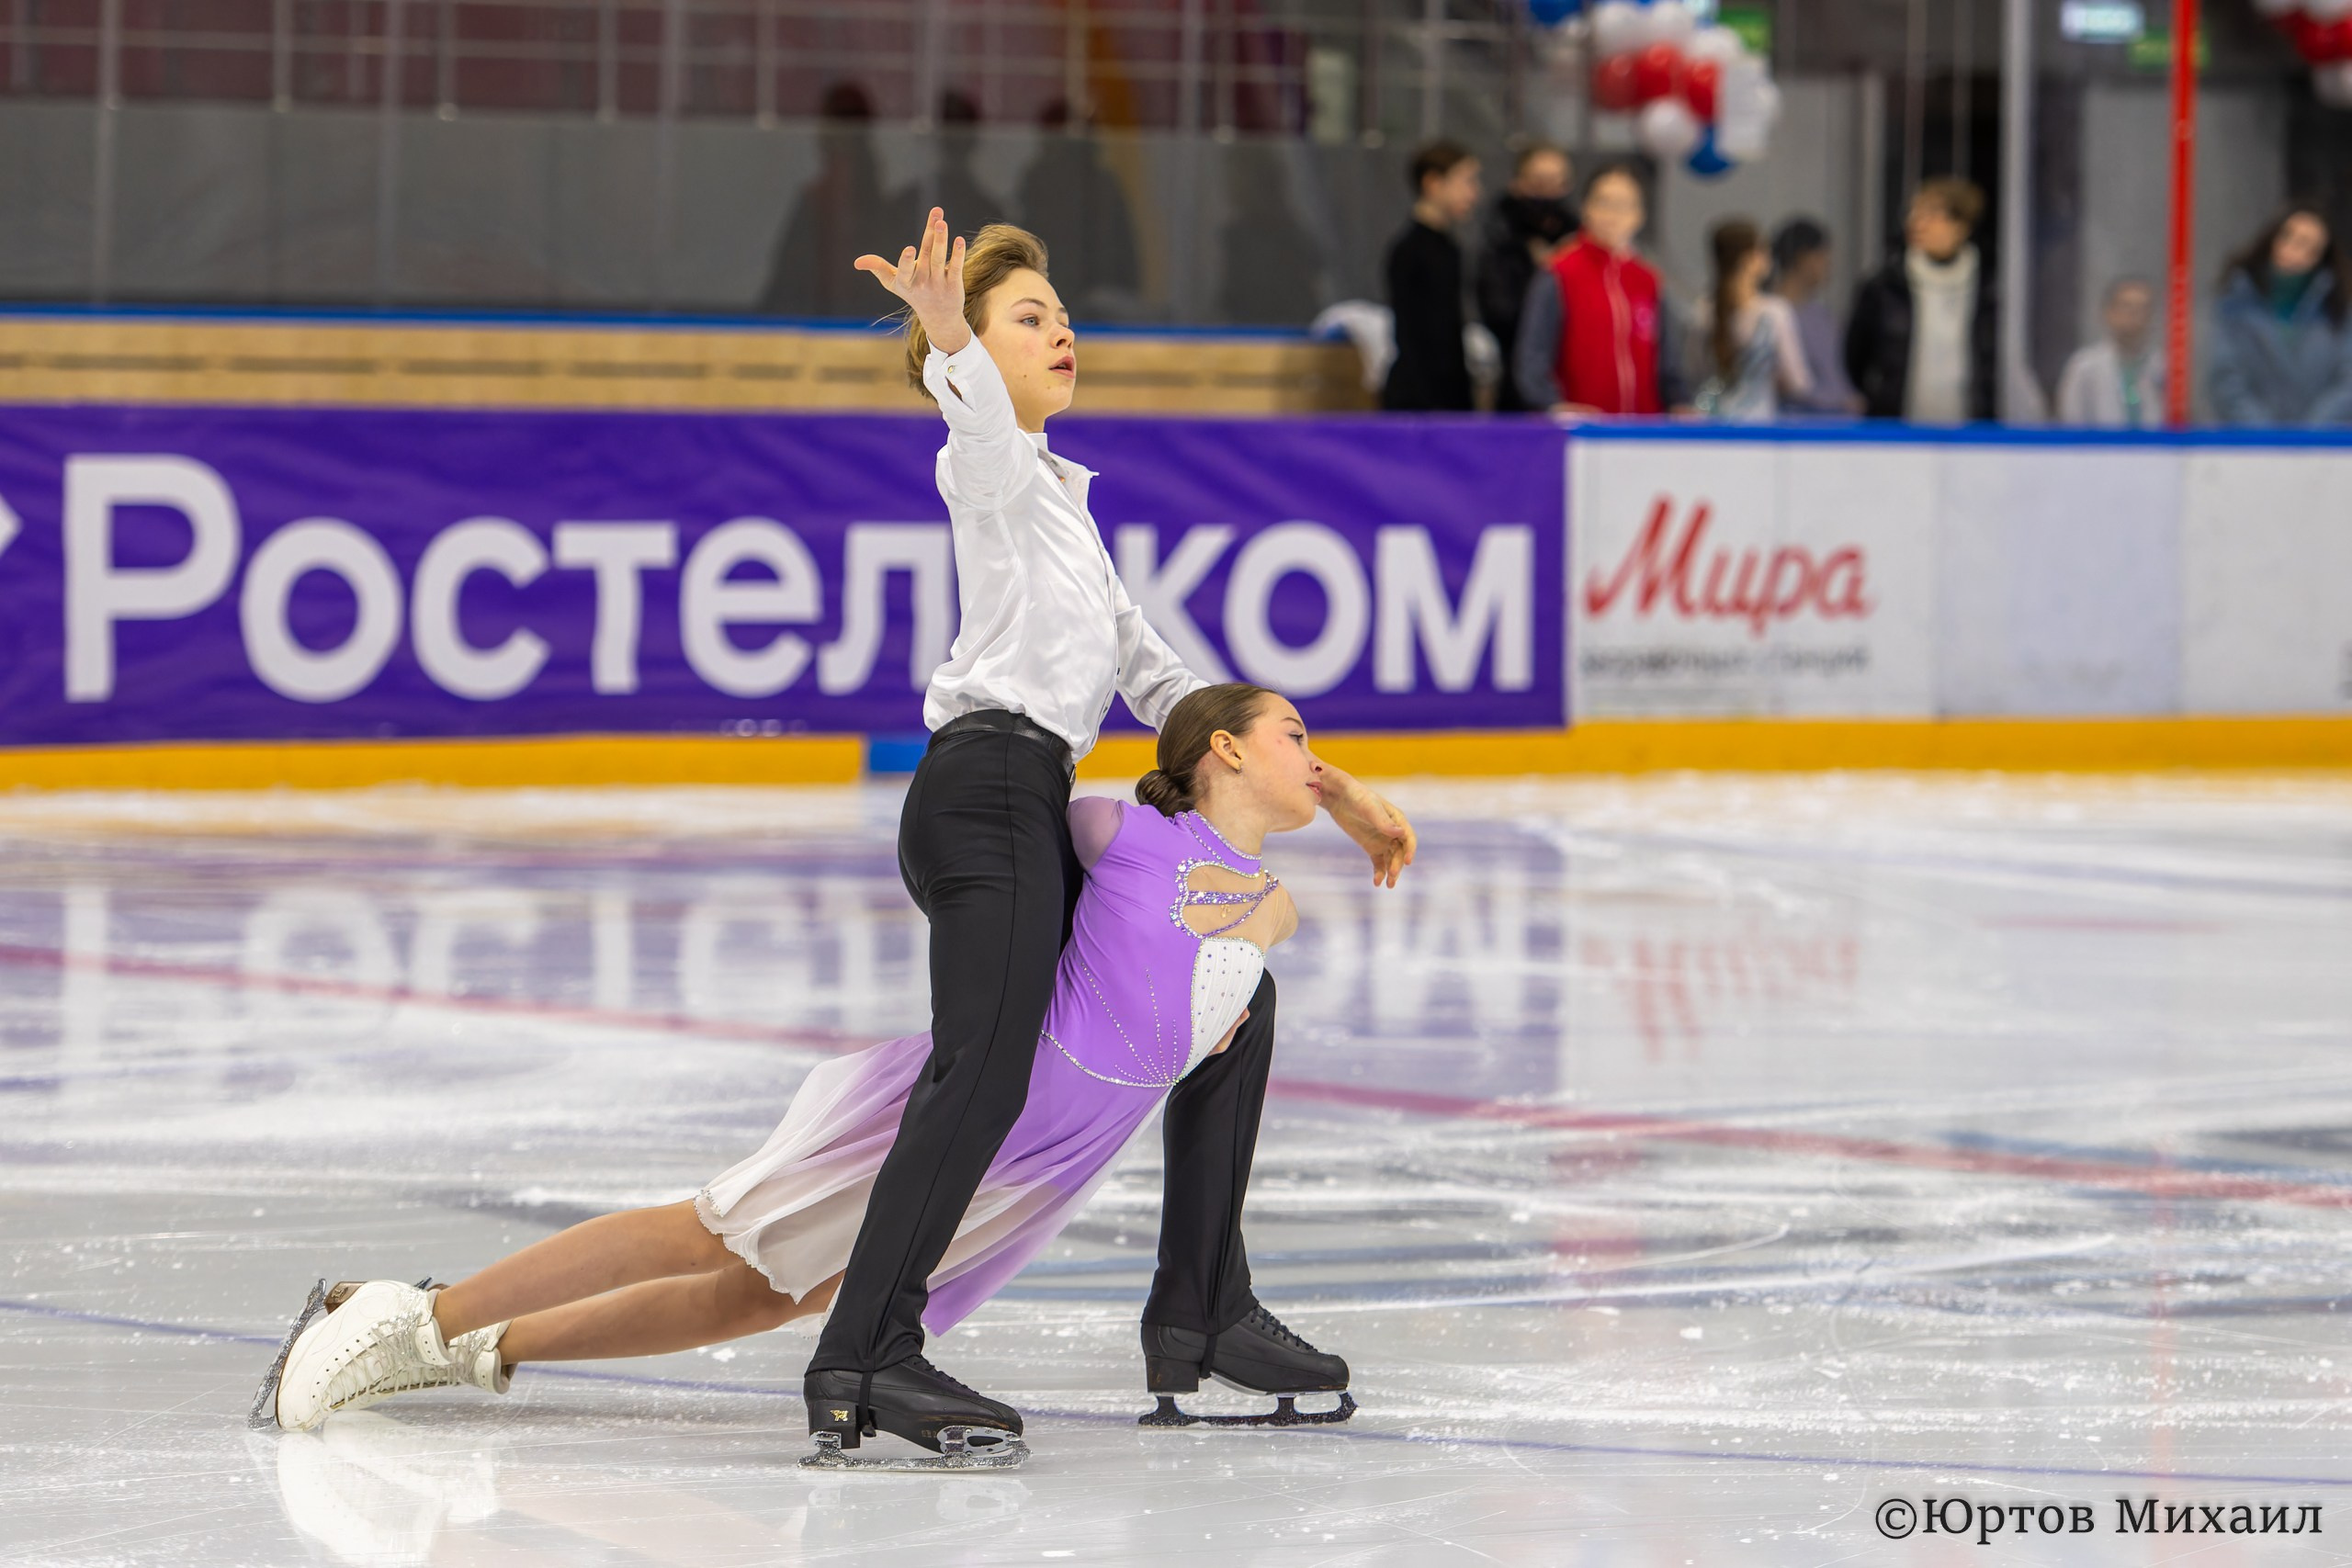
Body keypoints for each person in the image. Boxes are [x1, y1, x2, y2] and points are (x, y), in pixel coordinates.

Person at [259, 683, 1363, 1460]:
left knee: (772, 1293)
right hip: (985, 1100)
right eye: (1294, 734)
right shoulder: (1109, 826)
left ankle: (478, 1351)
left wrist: (1349, 809)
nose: (1314, 758)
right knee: (715, 1225)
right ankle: (417, 1316)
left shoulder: (1277, 904)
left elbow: (1199, 1002)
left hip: (1045, 1163)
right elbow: (1017, 917)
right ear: (1220, 747)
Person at [1512, 162, 1691, 416]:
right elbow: (1532, 358)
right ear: (1586, 209)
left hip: (1643, 430)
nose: (1612, 214)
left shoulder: (1649, 281)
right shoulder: (1559, 272)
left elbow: (1668, 363)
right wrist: (1552, 405)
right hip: (1583, 435)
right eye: (1603, 202)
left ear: (1639, 215)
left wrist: (1680, 403)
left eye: (1623, 205)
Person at [1844, 176, 1998, 423]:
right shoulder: (1884, 287)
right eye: (1914, 213)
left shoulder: (1990, 290)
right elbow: (1855, 357)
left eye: (1932, 215)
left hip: (1972, 432)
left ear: (1961, 226)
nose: (1917, 223)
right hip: (1898, 428)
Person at [2207, 204, 2352, 427]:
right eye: (2288, 237)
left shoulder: (2338, 310)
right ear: (2272, 239)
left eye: (2307, 246)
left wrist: (2310, 434)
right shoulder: (2235, 303)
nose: (2293, 250)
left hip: (2323, 449)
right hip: (2250, 448)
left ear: (2319, 259)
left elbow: (2346, 383)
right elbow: (2225, 380)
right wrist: (2268, 438)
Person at [758, 81, 895, 318]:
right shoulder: (817, 199)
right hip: (817, 325)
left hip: (862, 326)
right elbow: (785, 285)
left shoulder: (865, 203)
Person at [1475, 143, 1578, 413]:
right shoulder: (1499, 242)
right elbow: (1499, 314)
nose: (1548, 193)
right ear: (1519, 184)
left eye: (1556, 183)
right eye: (1538, 183)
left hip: (1574, 386)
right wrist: (1543, 280)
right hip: (1517, 388)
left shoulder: (1576, 240)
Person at [1380, 140, 1482, 412]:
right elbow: (1413, 336)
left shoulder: (1450, 247)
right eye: (1466, 182)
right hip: (1418, 400)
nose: (1474, 194)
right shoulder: (1409, 251)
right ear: (1434, 183)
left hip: (1449, 393)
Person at [1016, 100, 1141, 320]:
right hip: (1048, 289)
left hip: (1097, 297)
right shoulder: (1038, 181)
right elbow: (1028, 238)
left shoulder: (1100, 184)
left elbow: (1119, 250)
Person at [1690, 218, 1810, 423]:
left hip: (1712, 427)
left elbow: (1694, 373)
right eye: (1765, 251)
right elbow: (1797, 381)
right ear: (1749, 259)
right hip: (1758, 428)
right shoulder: (1774, 313)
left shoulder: (1701, 311)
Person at [1767, 217, 1863, 415]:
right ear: (1804, 258)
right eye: (1823, 256)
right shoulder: (1770, 315)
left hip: (1842, 429)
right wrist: (1840, 401)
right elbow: (1786, 385)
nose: (1829, 265)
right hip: (1797, 430)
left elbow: (1839, 375)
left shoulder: (1823, 316)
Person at [2055, 276, 2164, 428]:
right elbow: (2071, 422)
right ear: (2109, 312)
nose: (2135, 316)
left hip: (2154, 450)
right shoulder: (2085, 367)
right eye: (2127, 307)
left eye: (2142, 309)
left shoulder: (2163, 367)